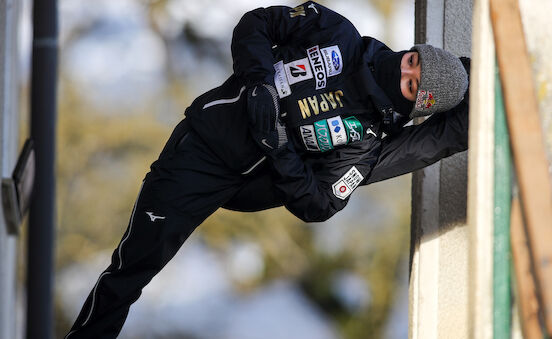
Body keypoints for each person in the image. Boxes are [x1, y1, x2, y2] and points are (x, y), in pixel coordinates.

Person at [65, 2, 470, 338]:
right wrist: (258, 82)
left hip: (255, 186)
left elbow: (321, 202)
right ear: (412, 50)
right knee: (132, 268)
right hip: (203, 152)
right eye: (413, 61)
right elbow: (256, 23)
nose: (404, 71)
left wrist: (278, 148)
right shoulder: (337, 32)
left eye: (413, 85)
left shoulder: (365, 142)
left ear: (415, 106)